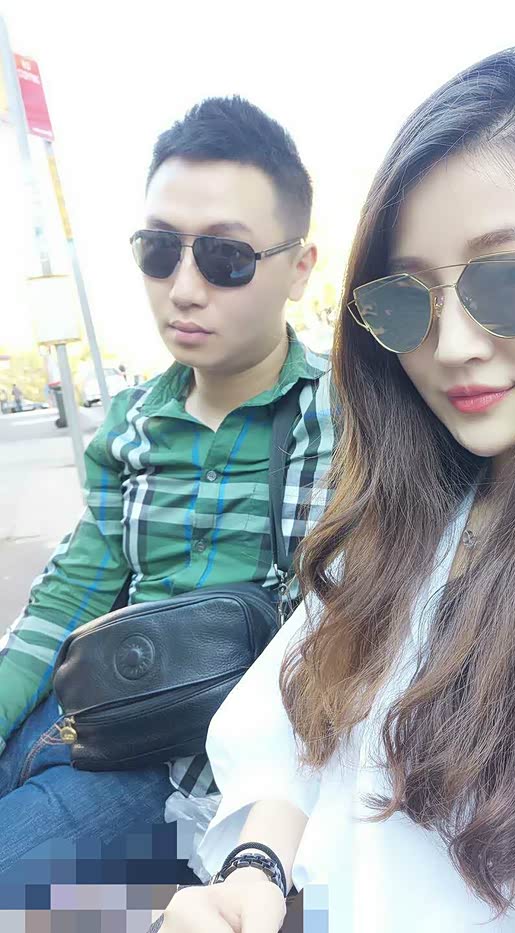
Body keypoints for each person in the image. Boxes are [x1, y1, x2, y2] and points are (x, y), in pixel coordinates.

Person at [157, 47, 515, 933]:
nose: (449, 347)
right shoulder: (423, 514)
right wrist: (254, 872)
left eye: (508, 279)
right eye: (406, 301)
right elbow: (295, 727)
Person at [0, 96, 334, 875]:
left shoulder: (344, 418)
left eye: (225, 257)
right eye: (159, 250)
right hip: (92, 709)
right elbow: (67, 597)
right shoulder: (131, 422)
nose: (183, 287)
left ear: (299, 269)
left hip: (193, 773)